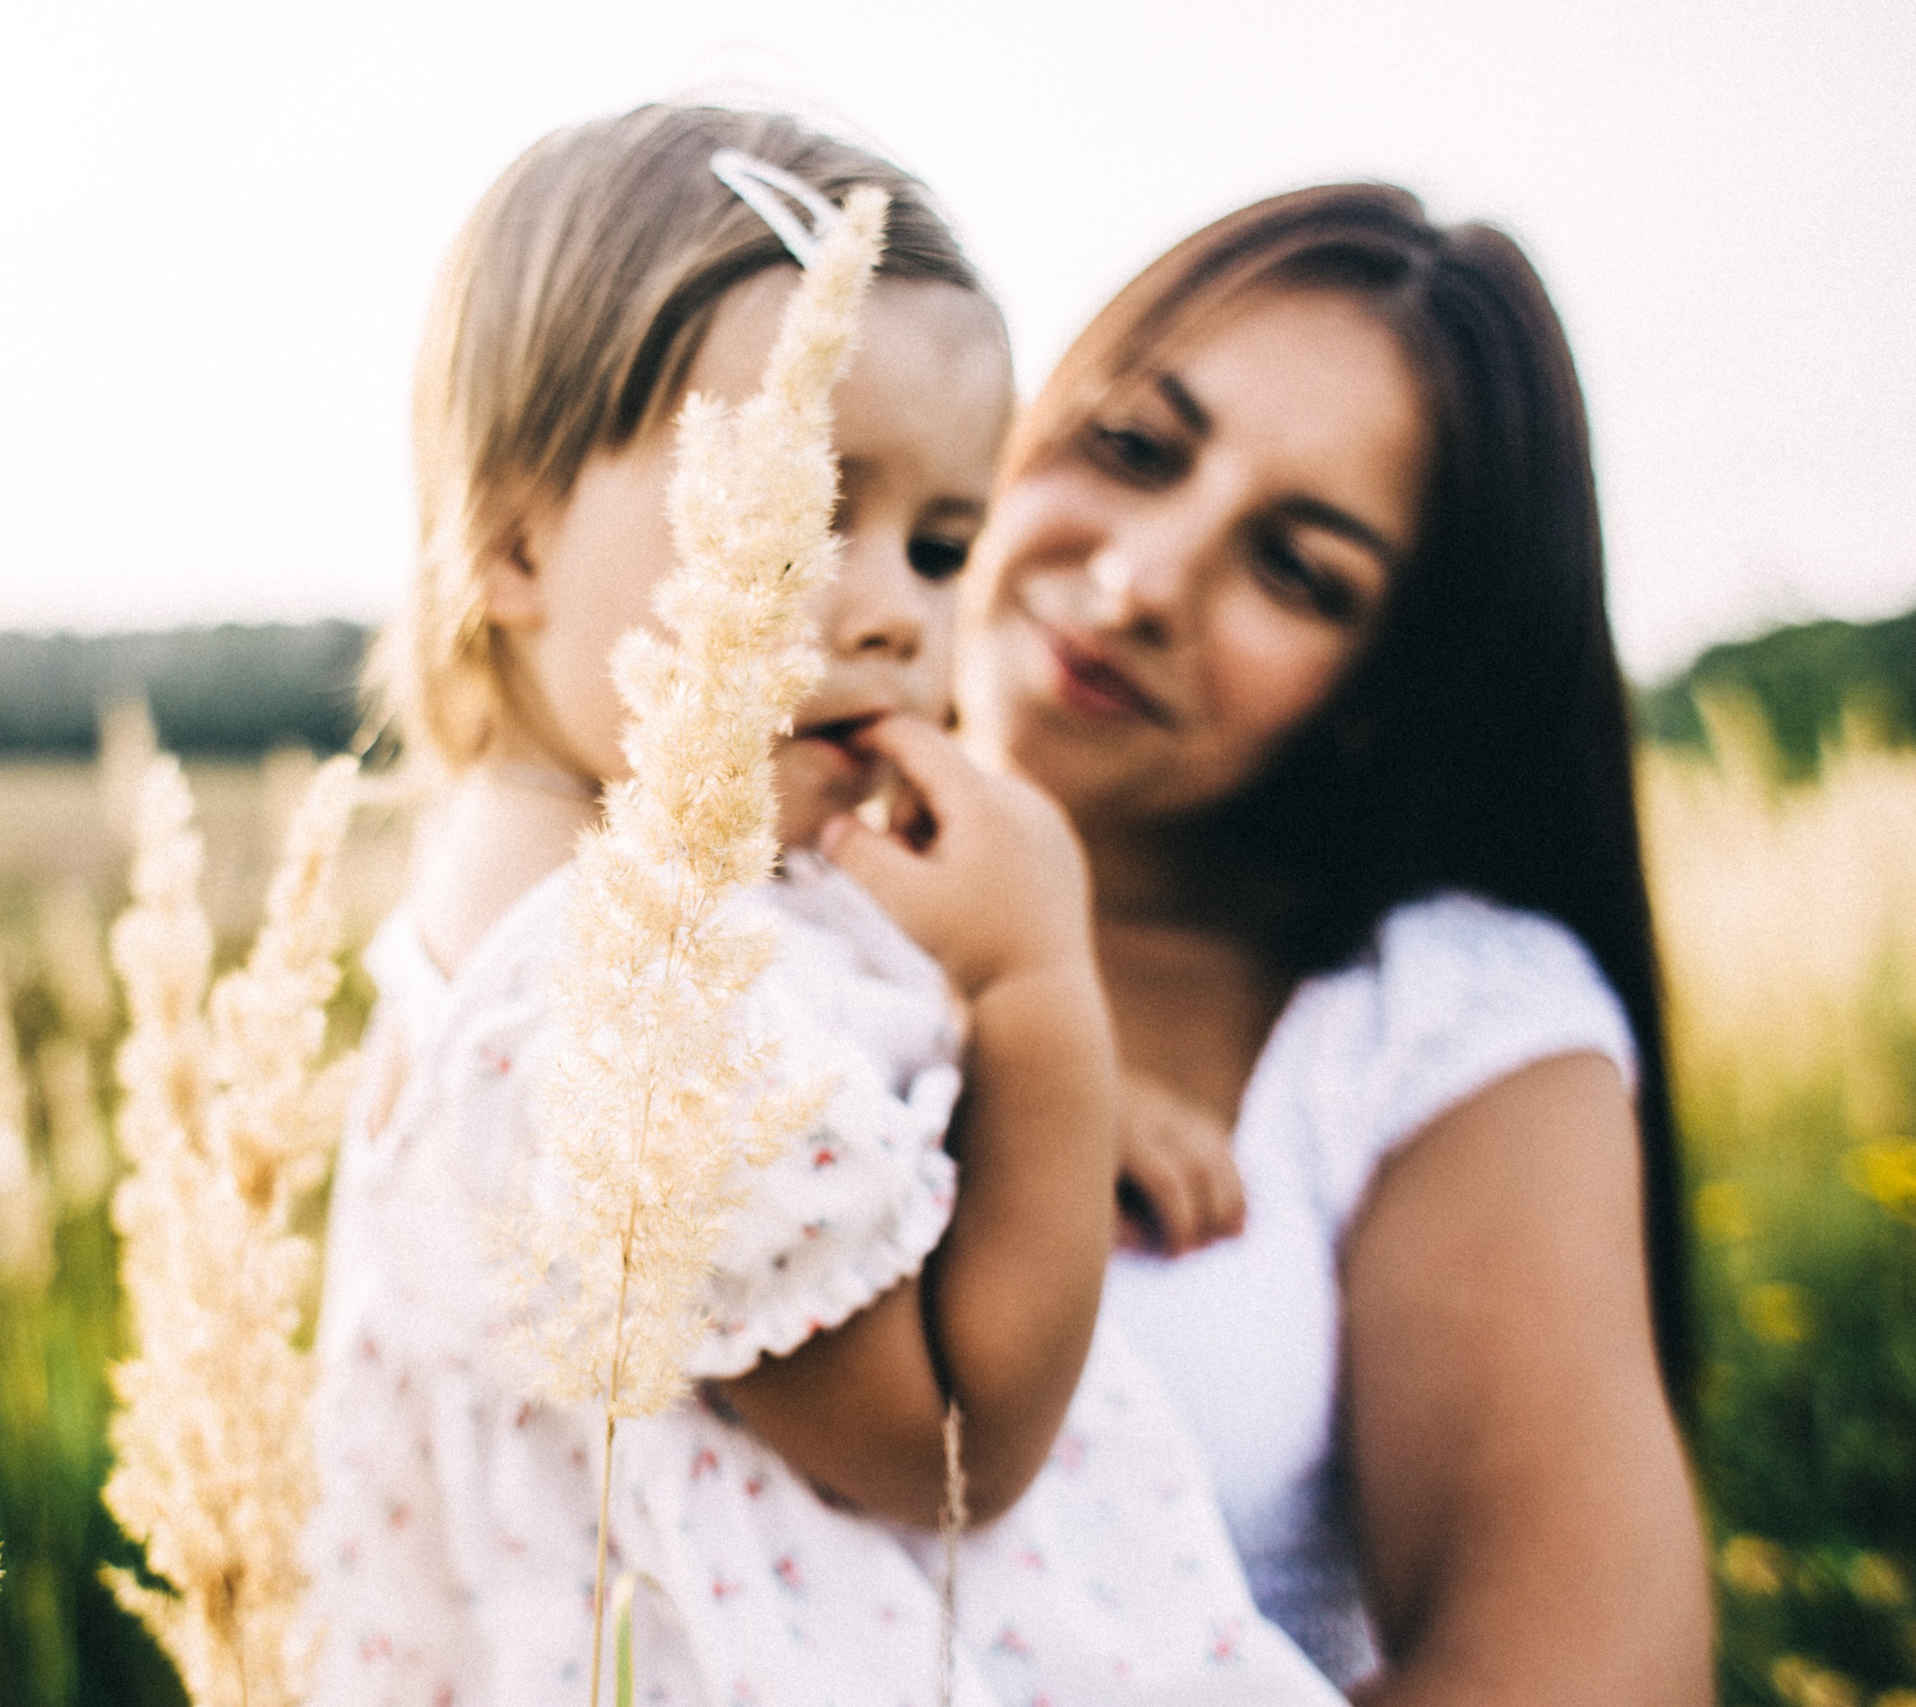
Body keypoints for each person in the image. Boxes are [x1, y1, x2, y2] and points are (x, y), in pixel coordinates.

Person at [307, 105, 1342, 1706]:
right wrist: (1035, 991)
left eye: (942, 546)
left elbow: (851, 1125)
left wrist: (1030, 1105)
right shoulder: (606, 1006)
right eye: (795, 519)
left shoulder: (630, 904)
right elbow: (954, 1444)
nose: (886, 616)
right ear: (510, 539)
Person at [954, 183, 1713, 1700]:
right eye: (1135, 448)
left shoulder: (1436, 1020)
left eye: (1298, 571)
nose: (1142, 581)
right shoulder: (715, 871)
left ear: (1380, 693)